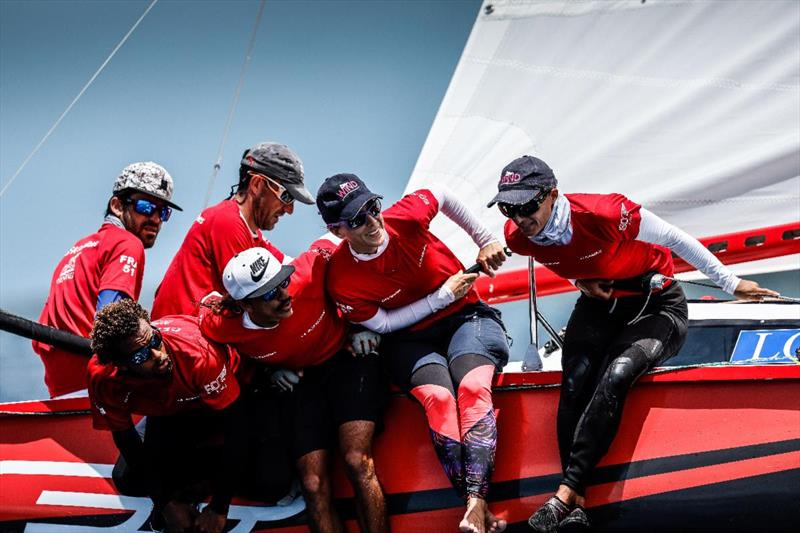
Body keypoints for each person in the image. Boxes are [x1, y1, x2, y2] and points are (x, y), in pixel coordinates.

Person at [489, 155, 781, 533]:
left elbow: (674, 238)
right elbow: (559, 255)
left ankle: (568, 491)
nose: (519, 217)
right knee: (574, 381)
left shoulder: (606, 213)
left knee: (617, 373)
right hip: (601, 302)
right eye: (510, 208)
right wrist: (581, 281)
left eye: (527, 205)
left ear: (552, 195)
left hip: (656, 303)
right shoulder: (519, 237)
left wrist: (732, 284)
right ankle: (577, 503)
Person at [317, 174, 510, 533]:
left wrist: (485, 240)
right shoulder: (341, 279)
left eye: (373, 207)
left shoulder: (406, 215)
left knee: (470, 387)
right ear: (337, 231)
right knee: (439, 399)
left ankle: (476, 508)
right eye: (358, 219)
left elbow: (442, 192)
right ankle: (478, 511)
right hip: (409, 339)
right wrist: (440, 297)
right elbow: (386, 324)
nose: (374, 222)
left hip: (467, 317)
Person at [200, 241, 388, 533]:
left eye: (283, 281)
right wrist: (266, 371)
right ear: (245, 305)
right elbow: (200, 311)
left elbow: (355, 244)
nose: (285, 295)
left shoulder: (308, 273)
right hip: (304, 381)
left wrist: (367, 322)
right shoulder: (220, 325)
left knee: (356, 460)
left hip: (347, 359)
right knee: (312, 484)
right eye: (271, 293)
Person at [88, 299, 246, 533]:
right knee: (127, 478)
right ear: (120, 364)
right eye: (141, 357)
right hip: (171, 410)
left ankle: (198, 486)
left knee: (270, 483)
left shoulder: (198, 356)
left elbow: (237, 429)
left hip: (223, 401)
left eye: (155, 340)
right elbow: (127, 440)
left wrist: (219, 508)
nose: (158, 355)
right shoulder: (103, 377)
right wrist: (166, 505)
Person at [34, 162, 180, 398]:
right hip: (96, 384)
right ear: (117, 205)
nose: (155, 219)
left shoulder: (78, 248)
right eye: (145, 207)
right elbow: (112, 319)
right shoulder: (126, 244)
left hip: (62, 390)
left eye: (163, 212)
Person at [152, 141, 313, 318]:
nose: (290, 210)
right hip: (177, 338)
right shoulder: (227, 222)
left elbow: (293, 269)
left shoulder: (249, 231)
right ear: (257, 184)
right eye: (287, 196)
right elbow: (257, 302)